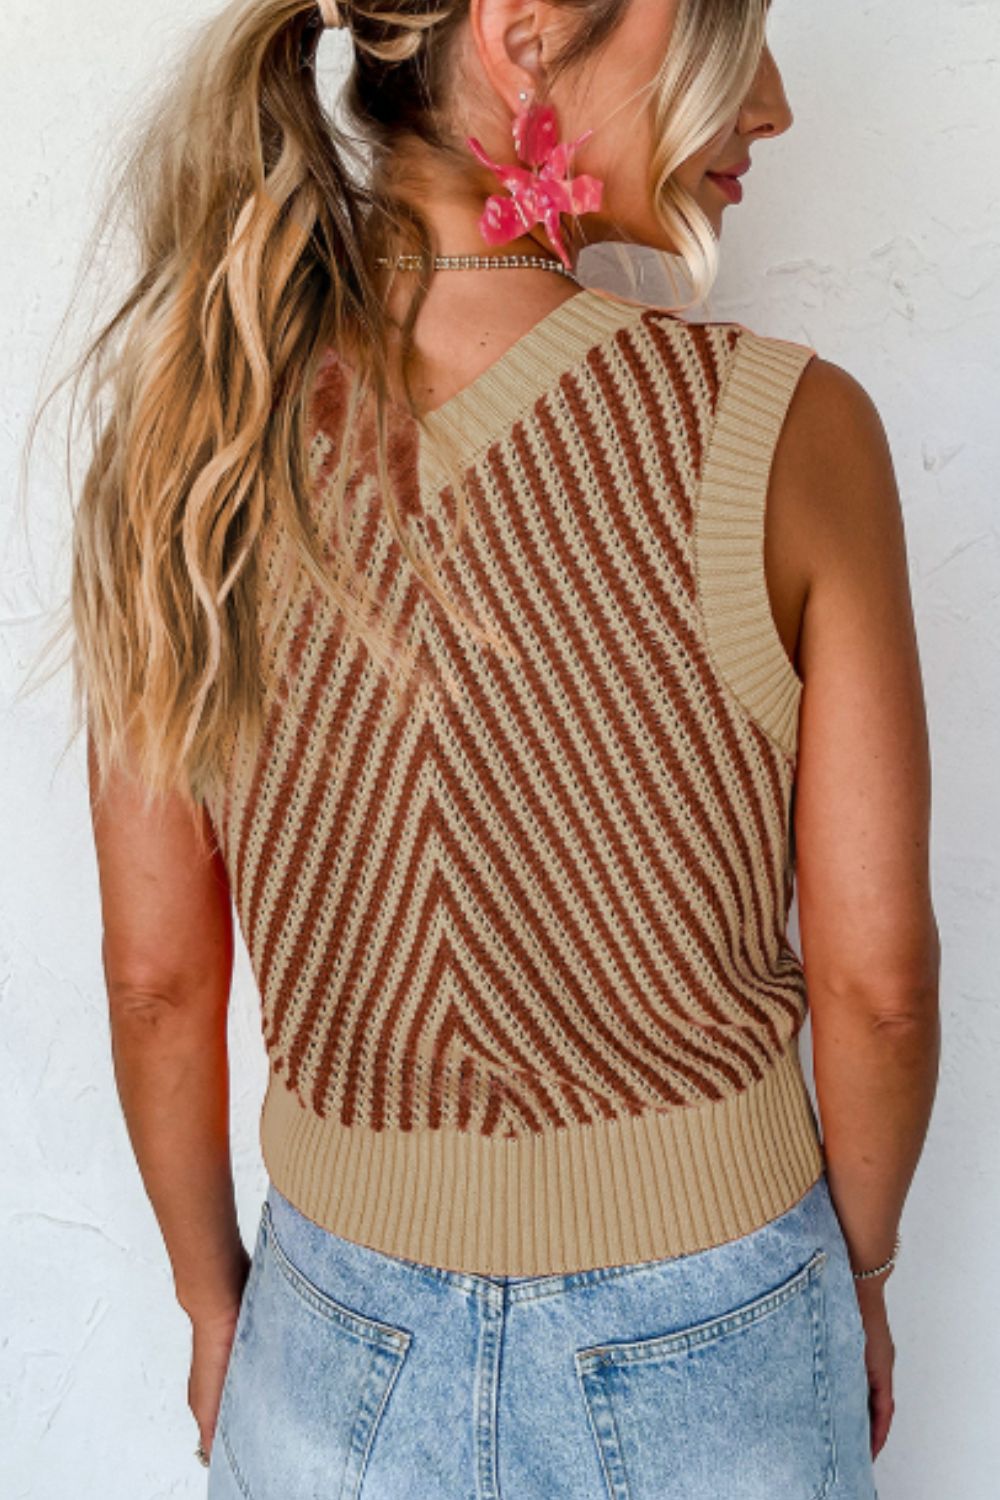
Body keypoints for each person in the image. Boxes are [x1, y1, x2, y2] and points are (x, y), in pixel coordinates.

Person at [69, 0, 939, 1495]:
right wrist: (848, 1279)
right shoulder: (793, 432)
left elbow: (156, 982)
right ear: (523, 34)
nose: (772, 102)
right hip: (721, 1328)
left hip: (331, 1338)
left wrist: (216, 1306)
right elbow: (881, 990)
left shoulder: (194, 442)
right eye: (726, 26)